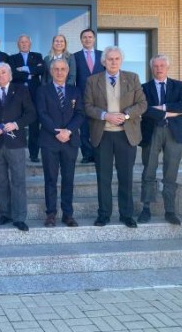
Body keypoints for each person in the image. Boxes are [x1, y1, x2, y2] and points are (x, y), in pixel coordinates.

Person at [84, 46, 147, 228]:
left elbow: (142, 104)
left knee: (125, 177)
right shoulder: (92, 80)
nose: (113, 62)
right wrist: (105, 115)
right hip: (102, 135)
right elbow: (87, 106)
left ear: (121, 60)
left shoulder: (132, 78)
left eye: (116, 59)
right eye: (110, 59)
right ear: (103, 61)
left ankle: (126, 215)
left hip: (126, 135)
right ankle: (104, 214)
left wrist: (126, 115)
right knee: (103, 177)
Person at [0, 63, 35, 231]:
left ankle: (19, 217)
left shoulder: (21, 90)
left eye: (4, 72)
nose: (0, 75)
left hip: (15, 143)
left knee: (18, 180)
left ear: (10, 75)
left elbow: (31, 114)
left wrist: (16, 124)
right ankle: (5, 214)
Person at [139, 55, 182, 225]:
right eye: (155, 66)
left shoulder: (178, 85)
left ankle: (169, 210)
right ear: (151, 68)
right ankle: (146, 208)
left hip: (174, 132)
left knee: (171, 172)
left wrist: (162, 108)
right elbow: (144, 109)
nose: (159, 68)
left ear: (167, 67)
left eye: (162, 65)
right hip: (152, 131)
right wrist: (170, 111)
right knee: (149, 170)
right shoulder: (144, 88)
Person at [37, 58, 85, 227]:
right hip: (50, 141)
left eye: (63, 69)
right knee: (50, 179)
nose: (59, 72)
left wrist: (68, 131)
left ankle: (67, 214)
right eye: (56, 69)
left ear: (67, 71)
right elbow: (42, 114)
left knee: (68, 179)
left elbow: (80, 114)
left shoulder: (75, 91)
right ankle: (51, 214)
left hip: (70, 141)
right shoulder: (42, 91)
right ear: (51, 71)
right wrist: (57, 132)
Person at [8, 34, 45, 163]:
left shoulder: (38, 56)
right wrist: (30, 74)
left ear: (30, 44)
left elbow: (42, 70)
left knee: (34, 125)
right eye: (21, 42)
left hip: (34, 95)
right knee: (16, 123)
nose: (24, 44)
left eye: (26, 42)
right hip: (17, 95)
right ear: (18, 44)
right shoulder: (12, 58)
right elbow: (12, 74)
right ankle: (14, 153)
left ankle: (33, 154)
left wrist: (24, 69)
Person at [74, 28, 104, 163]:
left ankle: (99, 153)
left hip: (100, 96)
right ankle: (87, 154)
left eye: (90, 37)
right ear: (81, 40)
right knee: (84, 127)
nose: (87, 39)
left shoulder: (102, 55)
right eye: (85, 37)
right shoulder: (75, 57)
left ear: (94, 39)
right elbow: (73, 77)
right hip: (82, 96)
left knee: (99, 126)